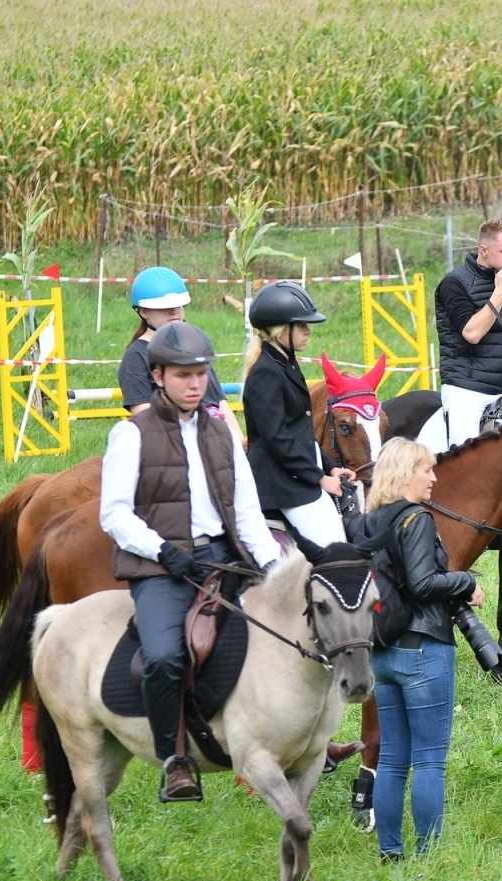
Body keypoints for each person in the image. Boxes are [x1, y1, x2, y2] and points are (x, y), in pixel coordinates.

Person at [98, 322, 283, 801]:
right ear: (157, 376)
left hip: (225, 556)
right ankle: (174, 758)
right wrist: (164, 552)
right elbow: (113, 514)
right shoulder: (130, 434)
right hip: (162, 565)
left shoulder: (221, 432)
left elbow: (246, 514)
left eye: (201, 373)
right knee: (163, 657)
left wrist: (274, 570)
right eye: (183, 374)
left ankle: (292, 738)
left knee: (285, 633)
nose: (195, 383)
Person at [352, 438, 482, 861]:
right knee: (429, 761)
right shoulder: (418, 519)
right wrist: (467, 583)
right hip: (423, 650)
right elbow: (423, 583)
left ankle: (390, 851)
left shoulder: (368, 522)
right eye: (426, 469)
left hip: (381, 651)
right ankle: (427, 857)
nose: (434, 477)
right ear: (406, 473)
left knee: (390, 759)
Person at [241, 281, 353, 547]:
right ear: (281, 330)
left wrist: (331, 467)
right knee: (335, 548)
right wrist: (320, 479)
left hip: (294, 478)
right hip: (281, 487)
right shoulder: (266, 373)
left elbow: (301, 433)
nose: (307, 331)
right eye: (301, 325)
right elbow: (278, 439)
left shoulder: (286, 364)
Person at [426, 218, 502, 452]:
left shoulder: (500, 282)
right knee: (465, 463)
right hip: (466, 390)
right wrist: (500, 291)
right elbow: (472, 333)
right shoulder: (454, 284)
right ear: (483, 250)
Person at [117, 267, 242, 443]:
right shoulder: (136, 357)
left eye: (178, 305)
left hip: (216, 442)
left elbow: (219, 402)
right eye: (164, 307)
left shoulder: (194, 346)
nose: (174, 311)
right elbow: (145, 419)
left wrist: (238, 442)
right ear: (143, 312)